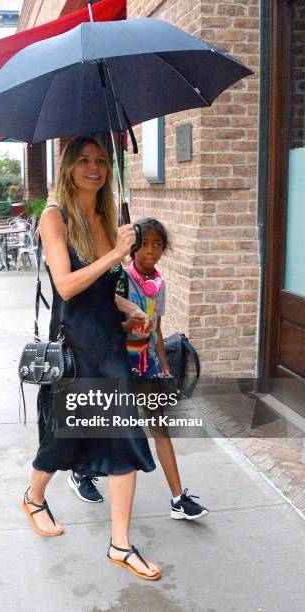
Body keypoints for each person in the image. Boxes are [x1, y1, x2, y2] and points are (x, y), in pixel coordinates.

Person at [23, 136, 161, 580]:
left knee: (125, 439)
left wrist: (130, 308)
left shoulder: (104, 217)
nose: (95, 167)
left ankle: (120, 544)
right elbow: (66, 287)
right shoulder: (54, 216)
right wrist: (118, 255)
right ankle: (33, 497)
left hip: (109, 346)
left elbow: (102, 289)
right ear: (68, 167)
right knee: (65, 441)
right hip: (77, 349)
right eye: (84, 160)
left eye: (102, 160)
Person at [119, 217, 209, 520]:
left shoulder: (159, 285)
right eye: (144, 244)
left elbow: (157, 328)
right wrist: (128, 325)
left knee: (159, 428)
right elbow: (105, 326)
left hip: (147, 367)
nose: (151, 251)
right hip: (118, 365)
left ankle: (177, 499)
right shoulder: (120, 280)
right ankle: (83, 473)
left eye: (157, 245)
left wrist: (165, 368)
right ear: (133, 246)